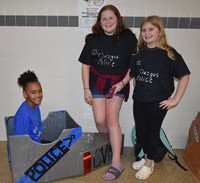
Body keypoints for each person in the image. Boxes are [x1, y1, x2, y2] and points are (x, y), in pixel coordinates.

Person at [78, 4, 137, 180]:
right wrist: (86, 89)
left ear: (118, 19)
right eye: (104, 19)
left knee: (112, 119)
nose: (107, 21)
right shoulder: (92, 40)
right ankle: (110, 146)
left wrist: (122, 84)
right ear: (99, 21)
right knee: (100, 120)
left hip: (117, 84)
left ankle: (117, 162)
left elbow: (133, 67)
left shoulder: (129, 38)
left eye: (111, 18)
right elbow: (85, 66)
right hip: (97, 84)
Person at [130, 15, 191, 180]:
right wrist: (138, 91)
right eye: (144, 30)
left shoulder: (169, 53)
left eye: (151, 29)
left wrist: (175, 99)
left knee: (152, 132)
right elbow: (134, 75)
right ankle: (144, 158)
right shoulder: (139, 54)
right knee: (141, 132)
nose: (147, 33)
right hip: (140, 101)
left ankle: (149, 164)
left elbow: (184, 76)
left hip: (158, 102)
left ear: (159, 31)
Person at [14, 70, 43, 143]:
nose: (38, 95)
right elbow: (22, 143)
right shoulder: (24, 115)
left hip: (36, 143)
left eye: (40, 91)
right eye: (33, 92)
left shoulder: (36, 106)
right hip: (28, 150)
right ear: (25, 94)